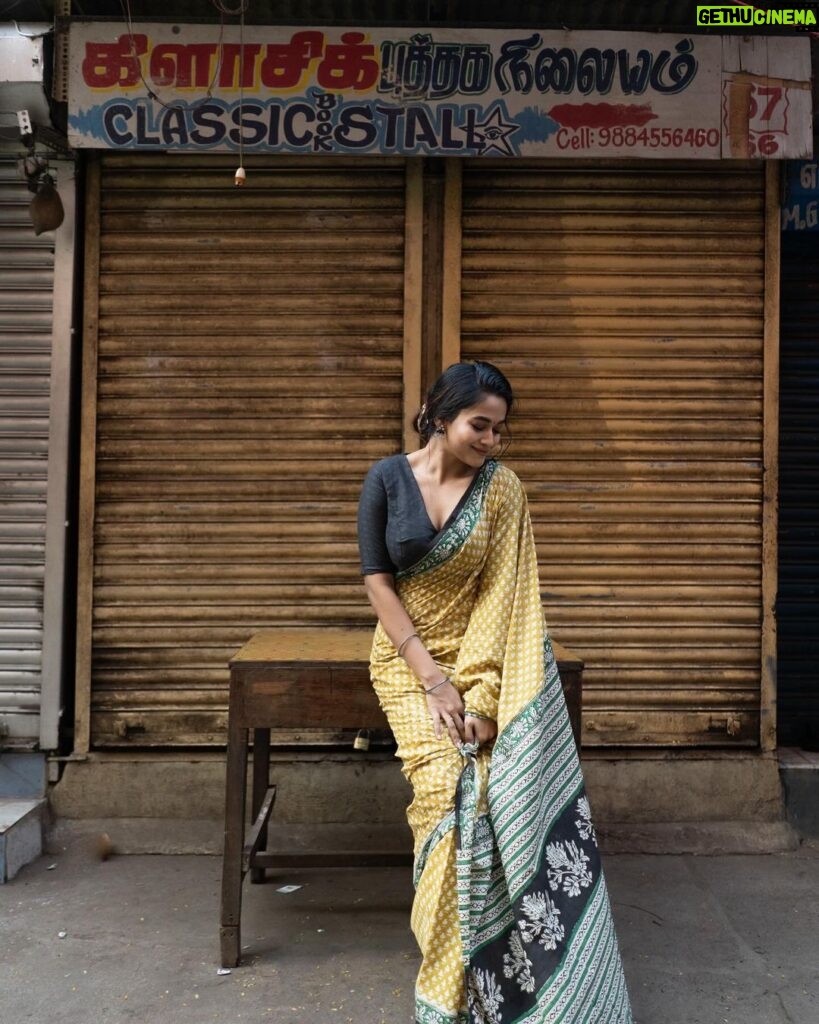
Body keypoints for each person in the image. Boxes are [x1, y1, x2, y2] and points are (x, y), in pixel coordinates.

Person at [357, 361, 633, 1024]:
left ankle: (518, 976)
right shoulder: (387, 478)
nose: (490, 440)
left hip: (484, 666)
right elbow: (376, 582)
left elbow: (500, 596)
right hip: (406, 661)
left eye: (499, 430)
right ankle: (448, 990)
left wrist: (477, 694)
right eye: (479, 425)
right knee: (445, 795)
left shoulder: (502, 491)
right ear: (440, 414)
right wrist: (431, 679)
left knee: (495, 793)